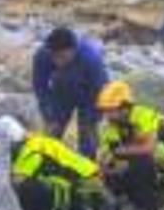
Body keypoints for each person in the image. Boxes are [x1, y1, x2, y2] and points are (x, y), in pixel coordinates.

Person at [0, 116, 111, 210]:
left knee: (27, 190)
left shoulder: (31, 148)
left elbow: (18, 180)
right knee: (32, 189)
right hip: (86, 187)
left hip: (85, 190)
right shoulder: (35, 141)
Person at [95, 81, 164, 210]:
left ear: (125, 106)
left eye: (111, 110)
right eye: (105, 110)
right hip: (138, 165)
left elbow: (148, 148)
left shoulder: (144, 115)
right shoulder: (108, 127)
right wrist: (106, 169)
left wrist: (118, 152)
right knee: (112, 179)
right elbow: (105, 156)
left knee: (141, 164)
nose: (107, 114)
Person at [31, 26, 110, 157]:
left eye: (62, 57)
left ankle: (88, 167)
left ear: (73, 50)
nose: (58, 61)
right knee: (51, 133)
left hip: (89, 97)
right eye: (54, 57)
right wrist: (48, 115)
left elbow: (101, 91)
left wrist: (92, 117)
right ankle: (47, 164)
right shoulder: (43, 54)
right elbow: (40, 86)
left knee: (87, 137)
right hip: (61, 93)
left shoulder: (91, 59)